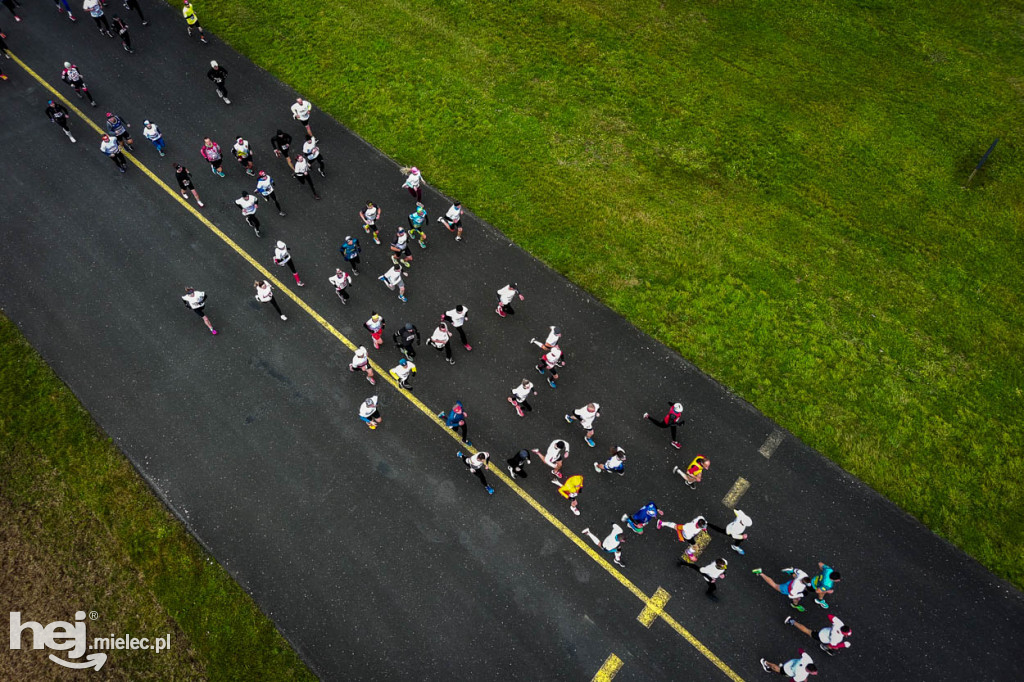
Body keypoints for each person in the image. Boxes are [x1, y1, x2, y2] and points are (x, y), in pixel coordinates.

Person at [784, 614, 851, 656]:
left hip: (825, 631)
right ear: (843, 633)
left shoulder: (839, 624)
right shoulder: (837, 637)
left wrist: (834, 623)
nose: (847, 635)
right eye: (846, 634)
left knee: (834, 646)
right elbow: (833, 645)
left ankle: (824, 647)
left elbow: (830, 616)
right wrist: (843, 645)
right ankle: (792, 621)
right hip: (822, 637)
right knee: (807, 631)